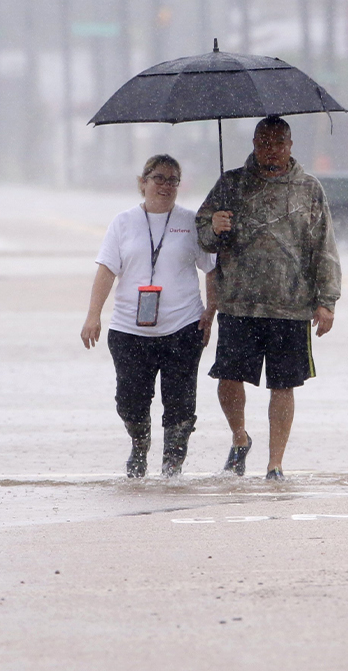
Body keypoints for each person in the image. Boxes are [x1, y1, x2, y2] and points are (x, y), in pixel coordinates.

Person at [195, 116, 340, 481]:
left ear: (290, 146)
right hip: (238, 302)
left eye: (276, 143)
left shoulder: (309, 189)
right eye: (262, 142)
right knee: (228, 378)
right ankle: (240, 437)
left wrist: (327, 300)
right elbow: (202, 233)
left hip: (290, 305)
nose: (268, 150)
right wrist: (215, 226)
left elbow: (324, 246)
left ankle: (275, 463)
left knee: (283, 384)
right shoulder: (231, 184)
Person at [81, 154, 217, 477]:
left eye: (173, 180)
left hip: (183, 327)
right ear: (142, 183)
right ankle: (139, 442)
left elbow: (212, 270)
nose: (166, 186)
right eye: (159, 178)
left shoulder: (191, 222)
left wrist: (211, 313)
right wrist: (93, 315)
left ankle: (172, 466)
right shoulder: (123, 223)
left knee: (181, 406)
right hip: (130, 330)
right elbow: (106, 271)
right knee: (130, 402)